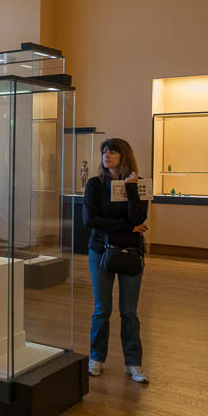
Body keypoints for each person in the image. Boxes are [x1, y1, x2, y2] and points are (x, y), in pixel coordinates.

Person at [83, 137, 150, 383]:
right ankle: (96, 358)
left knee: (129, 311)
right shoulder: (95, 185)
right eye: (104, 151)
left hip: (131, 253)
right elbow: (90, 220)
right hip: (101, 251)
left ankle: (133, 363)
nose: (107, 155)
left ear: (124, 155)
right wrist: (126, 227)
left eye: (112, 151)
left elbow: (139, 217)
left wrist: (131, 189)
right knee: (102, 309)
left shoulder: (140, 185)